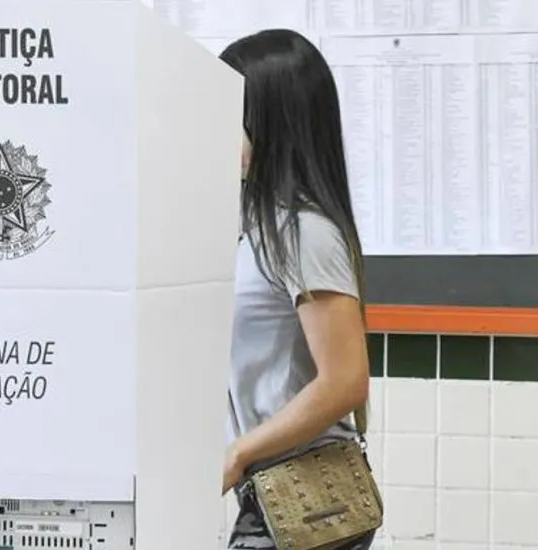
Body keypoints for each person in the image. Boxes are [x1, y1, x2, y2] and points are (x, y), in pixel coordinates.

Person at [219, 29, 376, 550]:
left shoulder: (303, 231)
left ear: (270, 121)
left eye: (227, 111)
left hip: (303, 497)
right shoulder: (259, 226)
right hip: (268, 492)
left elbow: (345, 382)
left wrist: (239, 453)